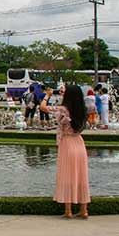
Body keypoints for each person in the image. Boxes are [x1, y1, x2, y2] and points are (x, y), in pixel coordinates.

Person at [40, 84, 90, 219]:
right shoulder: (83, 110)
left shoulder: (63, 109)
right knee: (81, 176)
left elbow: (43, 108)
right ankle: (83, 209)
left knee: (67, 175)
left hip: (67, 144)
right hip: (79, 143)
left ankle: (68, 211)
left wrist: (48, 95)